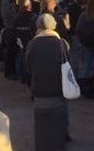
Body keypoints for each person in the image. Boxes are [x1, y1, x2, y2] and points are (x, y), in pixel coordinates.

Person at [26, 14, 71, 151]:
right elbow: (68, 65)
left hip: (39, 90)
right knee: (57, 126)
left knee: (42, 128)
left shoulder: (32, 44)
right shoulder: (61, 43)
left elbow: (27, 66)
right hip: (58, 90)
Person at [0, 0, 19, 80]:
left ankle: (13, 71)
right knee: (10, 51)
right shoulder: (6, 3)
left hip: (13, 28)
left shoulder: (11, 2)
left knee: (14, 51)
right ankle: (9, 72)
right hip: (9, 28)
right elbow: (8, 15)